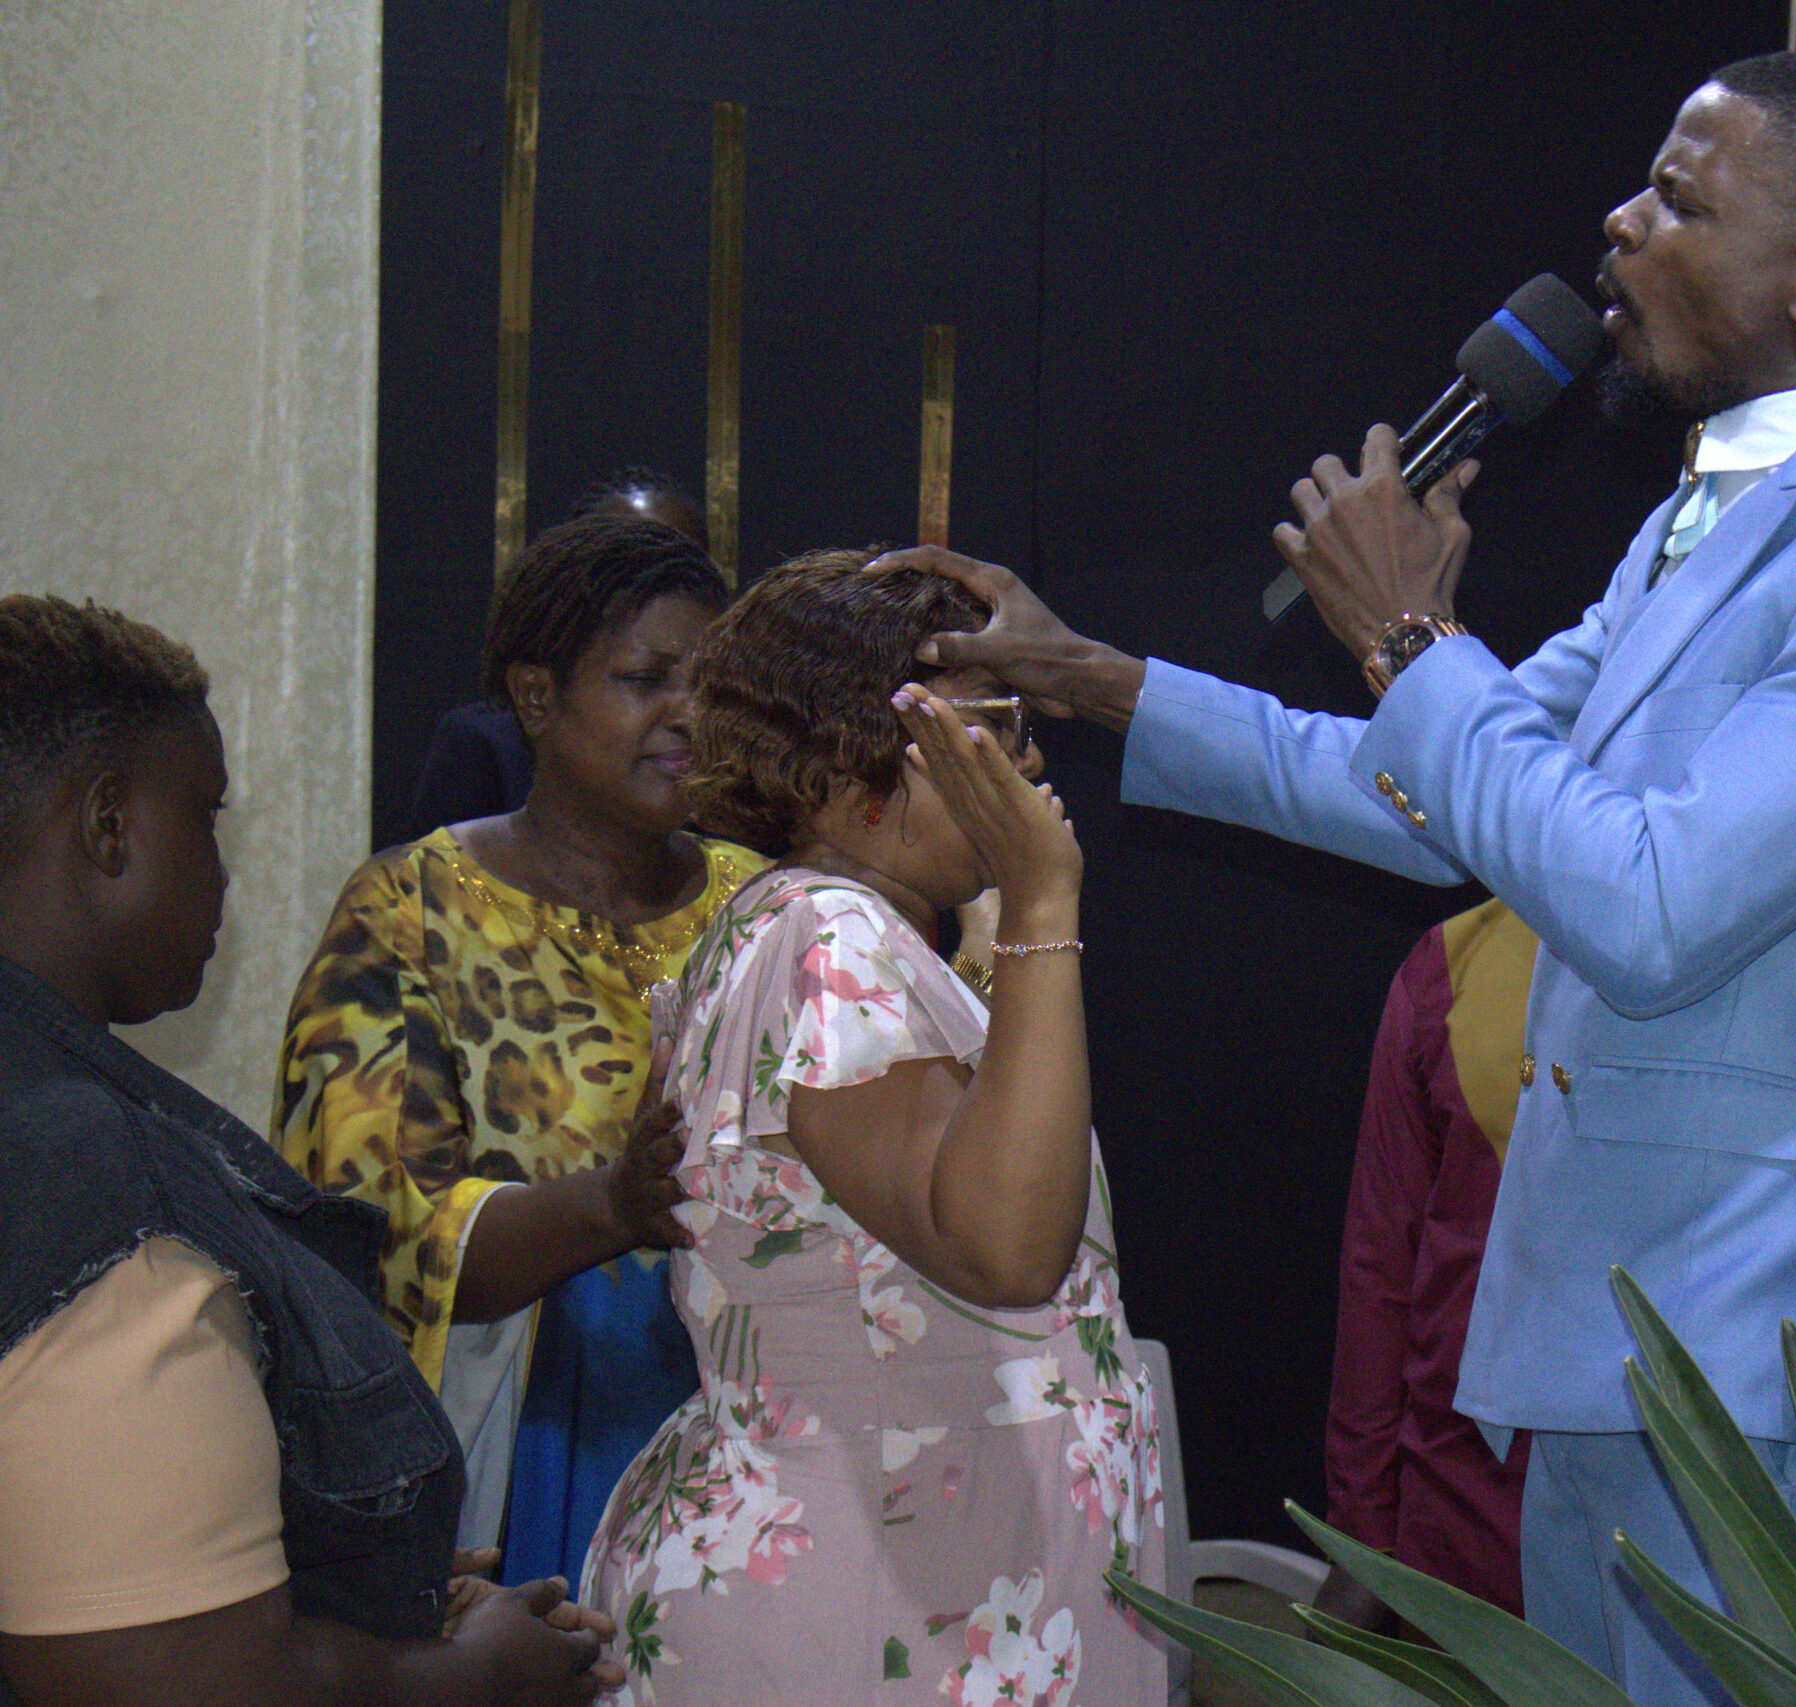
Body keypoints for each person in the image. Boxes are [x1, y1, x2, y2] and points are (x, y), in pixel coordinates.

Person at [871, 50, 1796, 1704]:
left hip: (1772, 1335)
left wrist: (1414, 640)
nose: (1620, 222)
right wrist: (1099, 679)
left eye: (1679, 200)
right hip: (1605, 1312)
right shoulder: (1712, 514)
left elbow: (1651, 907)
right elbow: (1444, 799)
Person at [0, 593, 623, 1705]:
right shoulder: (91, 1175)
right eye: (205, 816)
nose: (222, 875)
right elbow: (168, 1673)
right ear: (107, 824)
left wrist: (356, 1582)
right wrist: (460, 1674)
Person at [578, 553, 1163, 1705]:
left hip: (902, 1578)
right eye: (991, 726)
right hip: (874, 1607)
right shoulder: (830, 942)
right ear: (854, 769)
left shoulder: (805, 927)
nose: (1027, 762)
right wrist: (1043, 907)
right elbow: (1003, 1248)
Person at [273, 515, 766, 1585]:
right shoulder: (409, 911)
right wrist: (611, 1206)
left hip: (759, 1446)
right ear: (536, 697)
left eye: (712, 684)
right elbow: (366, 1232)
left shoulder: (763, 904)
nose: (690, 714)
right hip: (522, 1453)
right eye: (646, 679)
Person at [1318, 898, 1538, 1629]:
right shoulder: (1449, 964)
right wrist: (1361, 1534)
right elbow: (1380, 1267)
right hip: (1461, 1531)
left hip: (1681, 1538)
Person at [402, 469, 711, 843]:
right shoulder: (485, 745)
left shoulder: (738, 750)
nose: (690, 714)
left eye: (682, 564)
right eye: (644, 678)